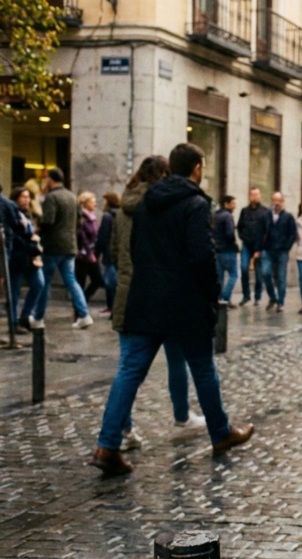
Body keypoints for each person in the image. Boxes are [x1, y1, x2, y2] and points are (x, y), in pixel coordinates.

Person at [89, 144, 253, 475]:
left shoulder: (147, 202)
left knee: (129, 370)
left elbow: (134, 249)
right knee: (203, 369)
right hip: (185, 303)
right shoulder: (195, 203)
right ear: (196, 168)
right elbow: (202, 255)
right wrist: (212, 294)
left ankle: (107, 445)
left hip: (146, 299)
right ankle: (220, 433)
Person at [110, 156, 206, 453]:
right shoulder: (158, 207)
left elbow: (114, 252)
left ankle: (124, 429)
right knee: (174, 358)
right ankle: (180, 416)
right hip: (159, 294)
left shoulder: (122, 208)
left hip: (127, 292)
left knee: (128, 366)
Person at [33, 168, 92, 329]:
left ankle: (38, 317)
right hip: (70, 245)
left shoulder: (51, 197)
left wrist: (38, 223)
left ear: (50, 180)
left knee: (45, 281)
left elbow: (48, 221)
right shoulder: (72, 196)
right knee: (71, 280)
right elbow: (79, 222)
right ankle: (84, 315)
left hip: (52, 246)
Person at [8, 186, 44, 334]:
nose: (27, 200)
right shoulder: (12, 213)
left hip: (30, 256)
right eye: (23, 197)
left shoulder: (28, 214)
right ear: (16, 198)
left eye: (28, 197)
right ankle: (13, 322)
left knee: (39, 283)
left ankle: (25, 315)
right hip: (17, 256)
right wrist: (29, 244)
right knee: (14, 291)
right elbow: (13, 235)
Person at [256, 191, 295, 312]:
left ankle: (280, 302)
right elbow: (260, 232)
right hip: (268, 249)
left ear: (283, 202)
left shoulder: (288, 217)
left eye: (279, 200)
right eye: (274, 200)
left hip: (282, 251)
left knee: (281, 277)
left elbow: (292, 234)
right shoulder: (266, 215)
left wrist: (286, 247)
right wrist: (258, 249)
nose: (276, 203)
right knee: (265, 273)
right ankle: (273, 297)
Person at [236, 188, 268, 306]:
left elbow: (267, 230)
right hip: (247, 245)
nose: (255, 197)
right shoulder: (244, 211)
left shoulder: (265, 211)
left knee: (259, 273)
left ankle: (257, 297)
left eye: (257, 194)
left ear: (260, 196)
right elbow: (239, 227)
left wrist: (262, 245)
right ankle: (246, 295)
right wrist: (243, 237)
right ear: (249, 196)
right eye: (252, 194)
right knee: (244, 269)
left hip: (259, 246)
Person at [95, 191, 120, 316]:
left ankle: (112, 308)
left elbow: (102, 237)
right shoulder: (120, 214)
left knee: (110, 283)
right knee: (115, 281)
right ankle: (113, 308)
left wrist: (96, 253)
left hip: (108, 253)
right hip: (118, 252)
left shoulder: (107, 216)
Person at [214, 195, 239, 307]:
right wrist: (234, 244)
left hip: (217, 251)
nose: (234, 206)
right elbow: (230, 234)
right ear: (226, 204)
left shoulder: (215, 215)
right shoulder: (228, 216)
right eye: (232, 203)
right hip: (227, 250)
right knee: (234, 275)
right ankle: (224, 297)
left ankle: (219, 299)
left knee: (220, 278)